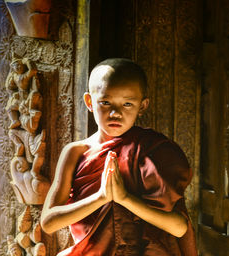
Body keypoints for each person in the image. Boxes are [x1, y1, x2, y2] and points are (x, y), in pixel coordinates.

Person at [40, 58, 197, 255]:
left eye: (128, 104)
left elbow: (178, 227)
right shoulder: (75, 153)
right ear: (89, 102)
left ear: (142, 106)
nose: (116, 113)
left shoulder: (153, 151)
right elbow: (48, 222)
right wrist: (100, 198)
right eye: (105, 102)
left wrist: (125, 199)